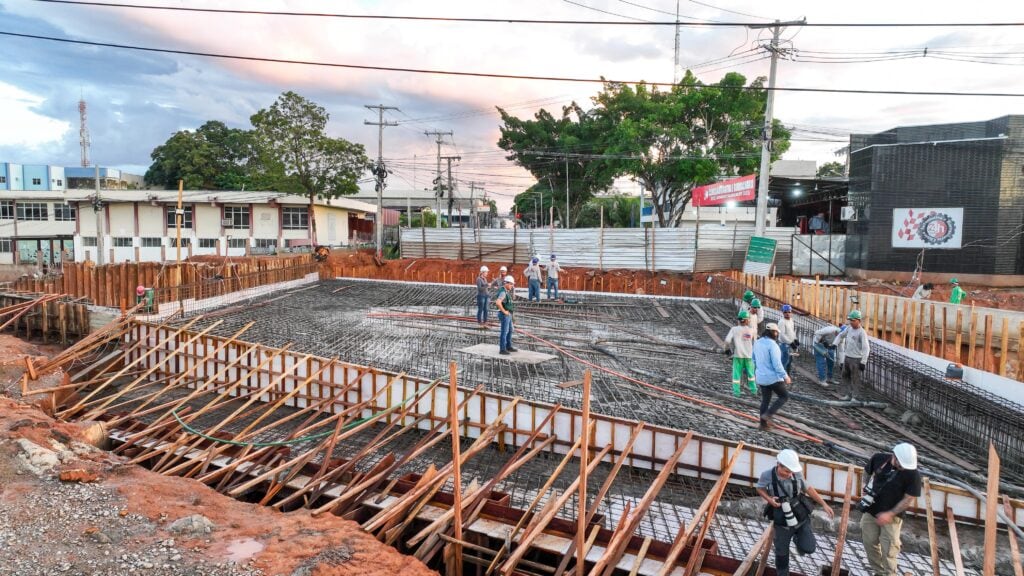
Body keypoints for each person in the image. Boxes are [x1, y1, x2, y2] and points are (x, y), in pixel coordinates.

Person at [756, 449, 834, 576]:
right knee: (781, 553)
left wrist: (824, 504)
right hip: (781, 519)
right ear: (778, 465)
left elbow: (808, 488)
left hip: (800, 514)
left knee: (809, 548)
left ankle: (798, 539)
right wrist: (770, 500)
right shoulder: (767, 475)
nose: (789, 474)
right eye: (786, 471)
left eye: (791, 471)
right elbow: (760, 488)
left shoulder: (796, 473)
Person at [859, 443, 922, 576]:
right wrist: (863, 486)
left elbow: (908, 499)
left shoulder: (913, 474)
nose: (903, 468)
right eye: (901, 464)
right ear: (895, 456)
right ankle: (879, 572)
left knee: (889, 549)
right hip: (871, 510)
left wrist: (890, 513)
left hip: (892, 517)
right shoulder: (878, 459)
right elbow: (866, 471)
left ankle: (889, 574)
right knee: (869, 542)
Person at [753, 322, 791, 430]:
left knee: (765, 400)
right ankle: (768, 414)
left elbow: (753, 359)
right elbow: (777, 364)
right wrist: (785, 376)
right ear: (774, 332)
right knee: (784, 396)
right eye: (776, 332)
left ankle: (762, 425)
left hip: (761, 377)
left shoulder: (757, 342)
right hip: (773, 378)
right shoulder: (773, 345)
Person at [833, 310, 870, 401]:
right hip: (847, 357)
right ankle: (848, 395)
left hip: (856, 359)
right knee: (845, 376)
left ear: (858, 320)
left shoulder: (862, 333)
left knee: (855, 379)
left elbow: (866, 348)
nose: (851, 322)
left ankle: (854, 397)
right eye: (850, 320)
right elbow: (841, 335)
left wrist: (863, 362)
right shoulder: (849, 328)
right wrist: (834, 344)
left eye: (853, 320)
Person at [723, 310, 757, 397]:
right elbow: (755, 342)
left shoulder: (734, 329)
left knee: (736, 375)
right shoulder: (752, 330)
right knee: (751, 375)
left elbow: (727, 340)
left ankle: (736, 393)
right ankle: (754, 391)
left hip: (738, 356)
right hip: (749, 356)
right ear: (746, 320)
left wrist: (727, 350)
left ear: (739, 320)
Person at [812, 322, 845, 387]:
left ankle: (830, 378)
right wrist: (823, 341)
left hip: (829, 346)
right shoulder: (830, 330)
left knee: (831, 361)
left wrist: (841, 363)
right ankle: (822, 380)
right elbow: (817, 332)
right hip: (819, 345)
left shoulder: (842, 338)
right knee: (821, 362)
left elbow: (841, 351)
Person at [494, 275, 519, 355]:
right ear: (507, 283)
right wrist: (504, 312)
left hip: (508, 315)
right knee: (504, 332)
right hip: (504, 315)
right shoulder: (503, 292)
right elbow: (498, 302)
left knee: (510, 330)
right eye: (511, 284)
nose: (512, 286)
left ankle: (508, 346)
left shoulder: (505, 291)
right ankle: (502, 349)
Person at [778, 304, 798, 371]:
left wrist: (795, 339)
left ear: (791, 312)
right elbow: (782, 335)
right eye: (785, 312)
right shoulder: (782, 322)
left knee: (789, 361)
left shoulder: (791, 320)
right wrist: (791, 342)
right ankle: (781, 377)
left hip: (790, 344)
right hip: (784, 344)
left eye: (789, 312)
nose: (787, 313)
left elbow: (792, 331)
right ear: (782, 312)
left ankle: (787, 375)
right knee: (784, 361)